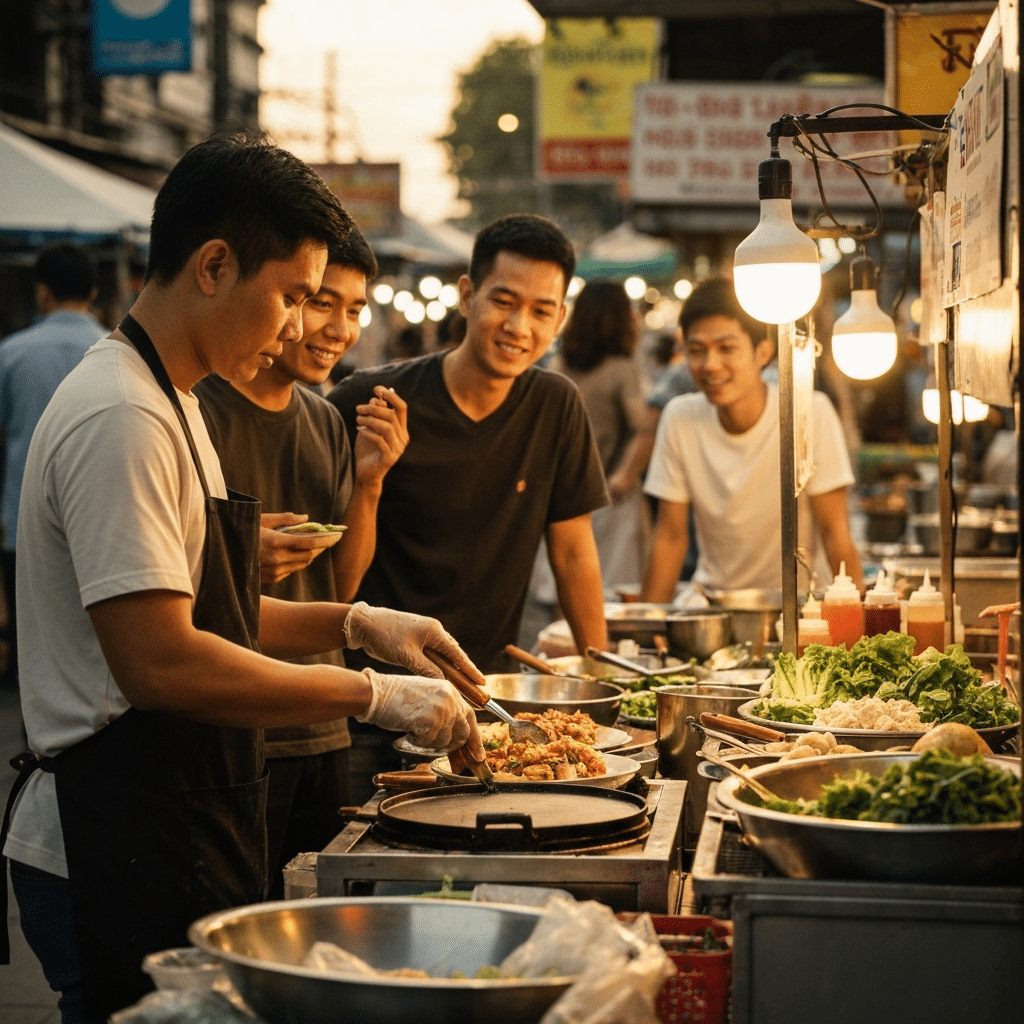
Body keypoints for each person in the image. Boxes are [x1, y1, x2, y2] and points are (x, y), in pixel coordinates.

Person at [0, 129, 482, 1024]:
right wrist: (371, 696)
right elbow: (163, 661)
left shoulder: (174, 402)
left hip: (175, 815)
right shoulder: (121, 415)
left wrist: (356, 620)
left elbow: (212, 608)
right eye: (294, 296)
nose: (304, 327)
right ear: (215, 265)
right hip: (111, 836)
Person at [196, 224, 403, 895]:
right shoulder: (199, 414)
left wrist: (370, 480)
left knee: (316, 917)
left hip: (325, 729)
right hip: (240, 728)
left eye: (355, 310)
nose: (339, 329)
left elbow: (341, 583)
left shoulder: (323, 420)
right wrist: (237, 560)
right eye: (320, 301)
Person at [328, 213, 611, 673]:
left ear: (560, 319)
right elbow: (323, 579)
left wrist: (603, 676)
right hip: (371, 689)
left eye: (541, 311)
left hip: (487, 692)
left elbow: (574, 552)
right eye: (503, 301)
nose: (519, 327)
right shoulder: (369, 401)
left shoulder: (556, 405)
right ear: (466, 296)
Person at [641, 277, 862, 600]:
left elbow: (835, 533)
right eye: (697, 351)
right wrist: (648, 626)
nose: (710, 365)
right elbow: (670, 538)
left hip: (799, 605)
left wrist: (861, 627)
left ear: (763, 352)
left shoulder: (808, 412)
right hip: (713, 604)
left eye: (726, 348)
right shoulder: (680, 417)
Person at [0, 243, 106, 690]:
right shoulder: (115, 351)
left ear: (42, 293)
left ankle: (38, 748)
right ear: (95, 292)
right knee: (99, 646)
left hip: (23, 525)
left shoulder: (10, 353)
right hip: (104, 526)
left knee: (36, 650)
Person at [547, 279, 649, 591]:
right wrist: (624, 476)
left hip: (565, 494)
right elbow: (643, 426)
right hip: (612, 497)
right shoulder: (622, 369)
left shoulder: (558, 364)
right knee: (615, 592)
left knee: (566, 587)